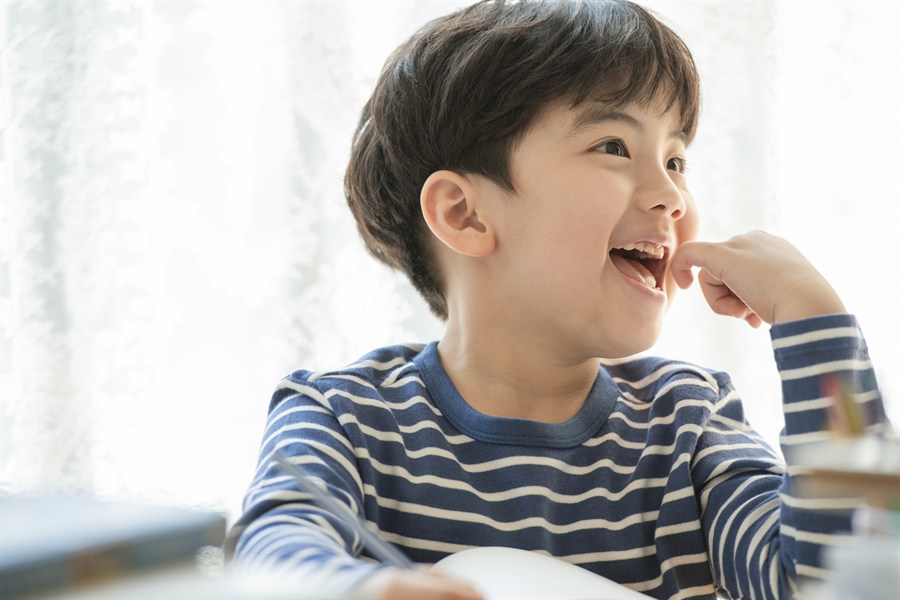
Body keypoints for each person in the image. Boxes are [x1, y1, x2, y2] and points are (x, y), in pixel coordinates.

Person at [226, 1, 890, 599]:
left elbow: (836, 582)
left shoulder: (688, 423)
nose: (671, 196)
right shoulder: (342, 418)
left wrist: (817, 327)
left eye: (677, 161)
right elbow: (273, 559)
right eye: (613, 146)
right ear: (464, 214)